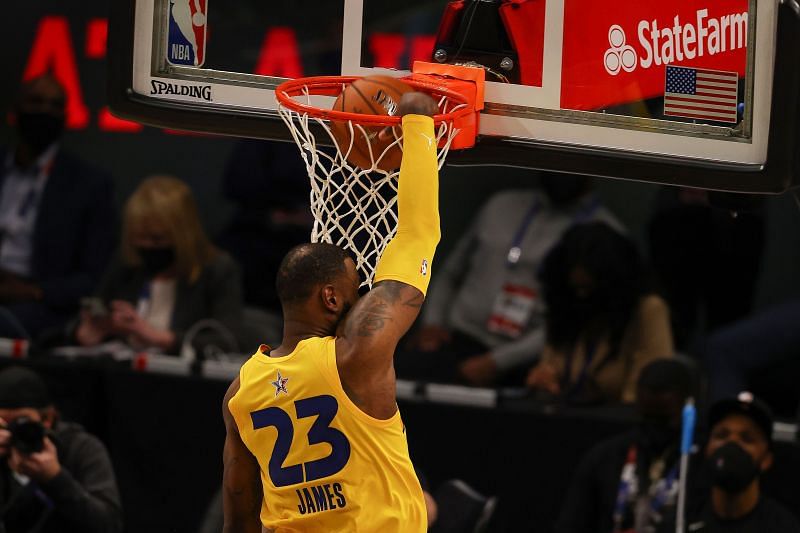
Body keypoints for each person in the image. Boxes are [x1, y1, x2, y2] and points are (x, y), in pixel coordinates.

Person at [221, 92, 439, 532]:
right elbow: (417, 237)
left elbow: (239, 518)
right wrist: (418, 124)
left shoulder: (240, 392)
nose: (363, 299)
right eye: (357, 288)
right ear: (331, 299)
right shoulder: (355, 354)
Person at [399, 173, 622, 386]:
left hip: (528, 360)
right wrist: (433, 323)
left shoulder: (603, 236)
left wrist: (499, 362)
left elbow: (575, 320)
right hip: (456, 339)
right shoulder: (501, 205)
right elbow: (451, 273)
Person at [0, 75, 115, 340]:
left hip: (40, 304)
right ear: (15, 111)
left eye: (55, 105)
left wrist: (34, 291)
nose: (45, 111)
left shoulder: (88, 185)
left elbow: (94, 277)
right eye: (36, 102)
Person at [75, 176, 243, 355]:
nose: (147, 246)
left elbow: (228, 342)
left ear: (183, 235)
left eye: (157, 239)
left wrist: (158, 337)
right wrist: (86, 332)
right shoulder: (127, 264)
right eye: (139, 237)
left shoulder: (217, 269)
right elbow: (91, 314)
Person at [526, 222, 673, 405]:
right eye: (576, 289)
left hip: (620, 424)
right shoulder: (566, 306)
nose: (582, 296)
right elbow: (550, 367)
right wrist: (543, 379)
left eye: (589, 289)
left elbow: (648, 394)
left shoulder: (647, 310)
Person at [555, 359, 694, 533]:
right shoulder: (606, 457)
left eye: (665, 420)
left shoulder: (700, 461)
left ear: (689, 410)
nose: (655, 429)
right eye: (648, 418)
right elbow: (571, 525)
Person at [0, 366, 123, 533]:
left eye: (20, 423)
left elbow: (108, 525)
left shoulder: (80, 448)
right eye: (3, 424)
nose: (10, 433)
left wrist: (54, 478)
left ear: (46, 419)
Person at [682, 392, 800, 533]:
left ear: (766, 460)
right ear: (707, 450)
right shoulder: (682, 520)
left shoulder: (785, 528)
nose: (732, 443)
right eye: (721, 435)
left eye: (747, 438)